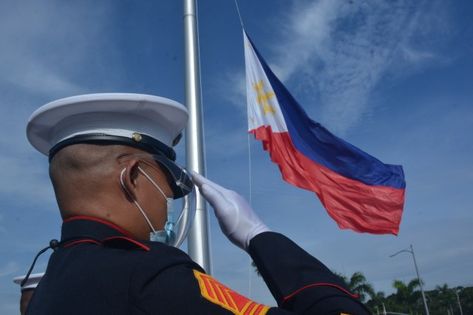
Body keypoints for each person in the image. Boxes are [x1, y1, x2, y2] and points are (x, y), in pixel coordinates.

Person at [24, 93, 370, 314]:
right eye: (169, 188)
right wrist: (261, 238)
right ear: (131, 177)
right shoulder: (149, 274)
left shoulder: (47, 286)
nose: (168, 207)